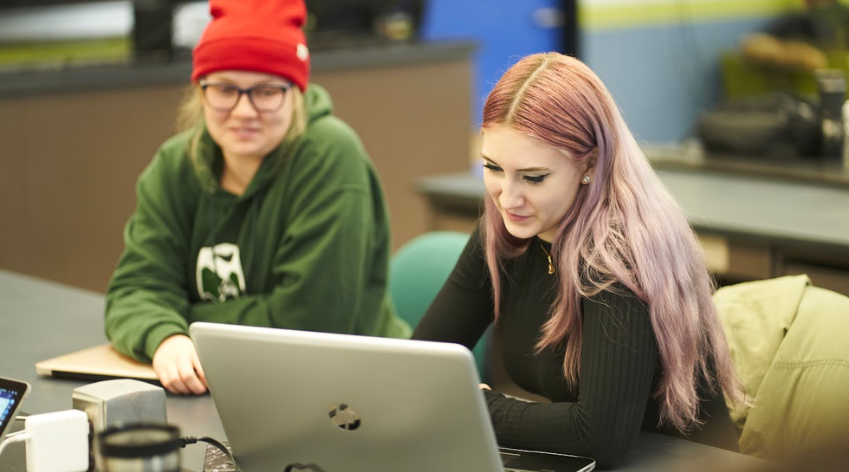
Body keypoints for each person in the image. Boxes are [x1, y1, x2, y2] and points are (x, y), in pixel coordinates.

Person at [413, 53, 743, 468]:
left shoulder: (620, 257)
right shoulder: (506, 230)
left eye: (533, 177)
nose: (507, 198)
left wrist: (475, 405)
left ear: (589, 165)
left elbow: (597, 436)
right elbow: (419, 366)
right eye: (493, 168)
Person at [105, 0, 411, 396]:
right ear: (200, 93)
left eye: (266, 91)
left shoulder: (331, 156)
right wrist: (166, 338)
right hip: (226, 386)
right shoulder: (176, 164)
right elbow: (133, 290)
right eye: (225, 89)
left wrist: (184, 318)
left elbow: (306, 326)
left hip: (352, 391)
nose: (244, 110)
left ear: (296, 93)